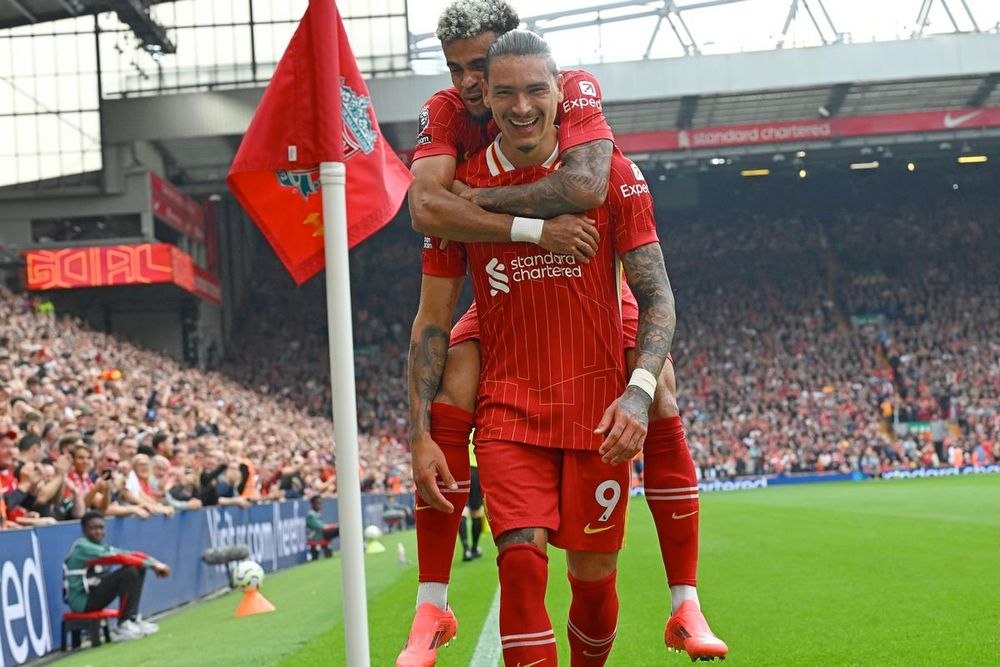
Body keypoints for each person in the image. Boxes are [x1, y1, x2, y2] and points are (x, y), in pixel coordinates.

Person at [399, 1, 726, 664]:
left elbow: (585, 186)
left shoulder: (584, 115)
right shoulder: (452, 124)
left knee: (655, 385)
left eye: (482, 66)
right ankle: (431, 602)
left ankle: (684, 600)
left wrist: (635, 391)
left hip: (597, 327)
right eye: (463, 72)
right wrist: (418, 434)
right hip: (512, 356)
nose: (472, 83)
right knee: (459, 376)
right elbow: (426, 218)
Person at [64, 511, 171, 641]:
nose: (98, 532)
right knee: (130, 571)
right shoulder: (83, 548)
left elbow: (130, 554)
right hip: (82, 602)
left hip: (93, 595)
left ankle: (131, 619)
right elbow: (120, 558)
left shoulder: (98, 546)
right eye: (93, 528)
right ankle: (123, 625)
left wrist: (155, 563)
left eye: (101, 528)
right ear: (84, 530)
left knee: (138, 567)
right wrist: (153, 566)